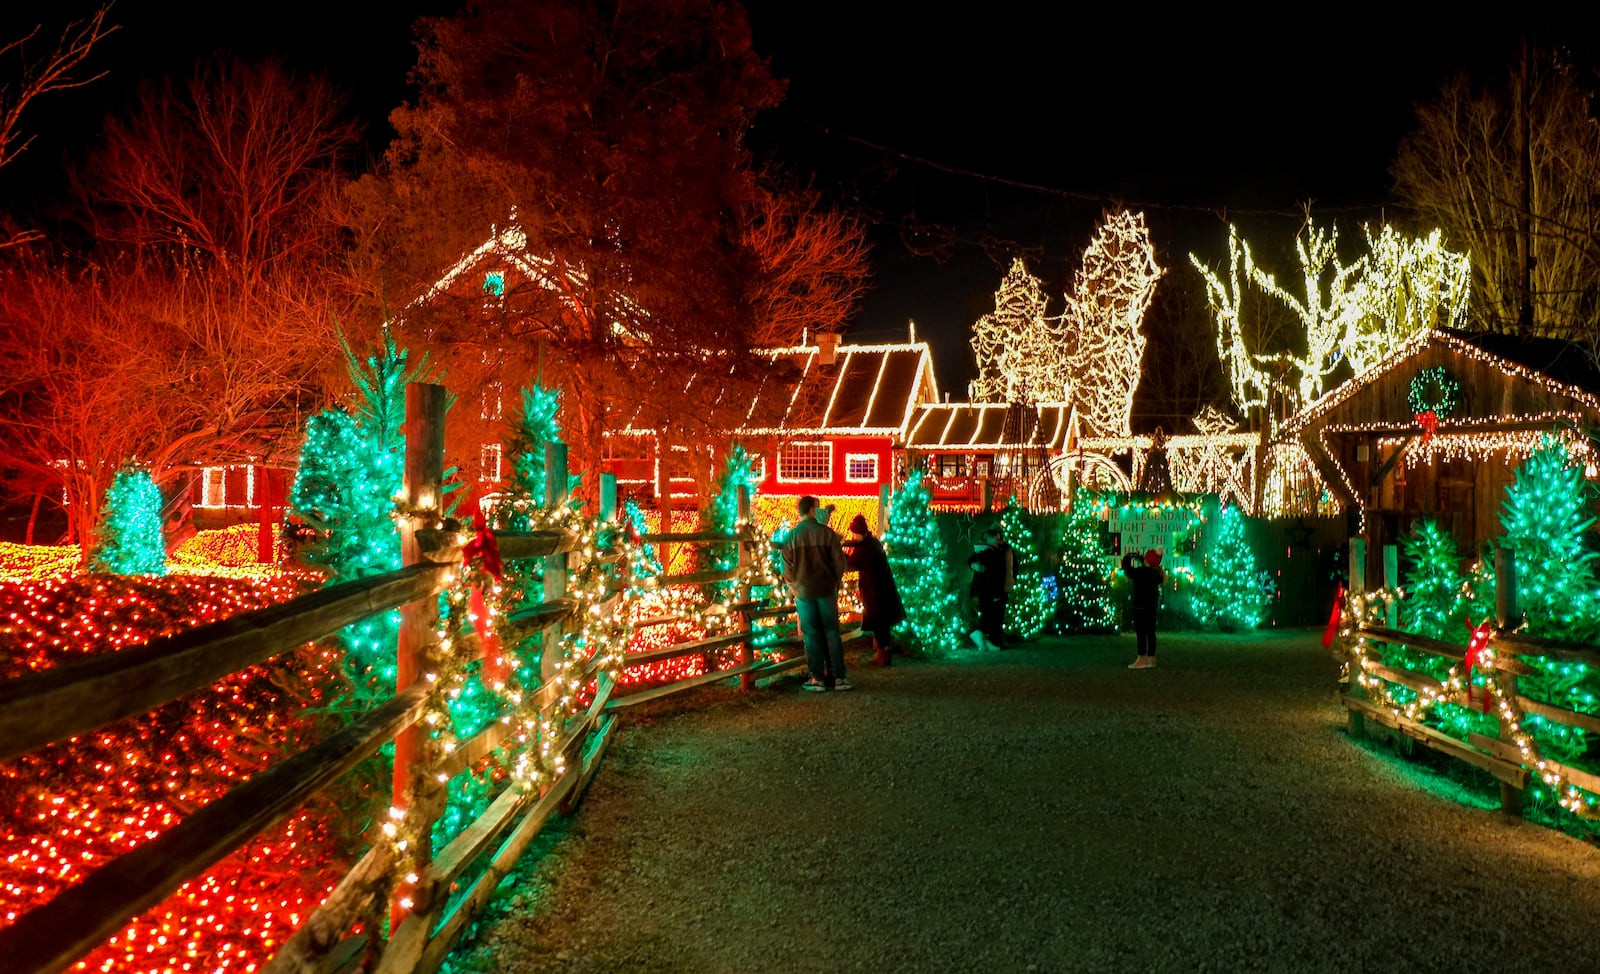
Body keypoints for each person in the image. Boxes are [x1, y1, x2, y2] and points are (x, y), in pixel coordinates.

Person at [782, 495, 851, 691]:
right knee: (832, 632)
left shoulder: (791, 536)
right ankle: (838, 677)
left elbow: (786, 568)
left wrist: (794, 587)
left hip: (803, 591)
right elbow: (839, 562)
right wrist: (834, 582)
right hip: (826, 589)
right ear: (812, 509)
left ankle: (817, 677)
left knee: (811, 635)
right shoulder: (827, 534)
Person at [844, 513, 906, 666]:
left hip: (874, 592)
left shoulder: (864, 547)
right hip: (883, 589)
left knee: (879, 623)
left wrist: (841, 554)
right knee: (883, 623)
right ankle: (885, 652)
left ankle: (882, 653)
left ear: (858, 533)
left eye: (854, 533)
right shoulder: (873, 543)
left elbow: (851, 563)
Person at [967, 525, 1013, 651]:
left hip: (987, 590)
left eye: (999, 537)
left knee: (991, 614)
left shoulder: (990, 551)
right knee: (990, 614)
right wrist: (996, 593)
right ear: (988, 539)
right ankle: (980, 634)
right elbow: (993, 575)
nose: (998, 540)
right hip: (987, 591)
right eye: (996, 538)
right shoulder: (988, 552)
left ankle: (987, 641)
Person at [1124, 548, 1165, 668]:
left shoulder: (1140, 572)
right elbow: (1149, 563)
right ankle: (1151, 658)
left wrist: (1129, 557)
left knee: (1141, 633)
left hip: (1140, 606)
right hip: (1151, 607)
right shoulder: (1156, 574)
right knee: (1151, 632)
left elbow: (1127, 569)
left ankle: (1141, 658)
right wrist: (1141, 558)